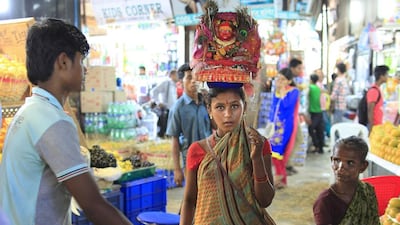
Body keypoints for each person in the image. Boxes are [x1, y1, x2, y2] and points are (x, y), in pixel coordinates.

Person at [0, 18, 132, 225]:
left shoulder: (31, 110)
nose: (85, 70)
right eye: (81, 61)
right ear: (63, 62)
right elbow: (93, 205)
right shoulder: (51, 121)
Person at [180, 87, 276, 225]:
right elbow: (189, 200)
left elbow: (265, 200)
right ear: (209, 110)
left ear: (245, 107)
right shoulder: (198, 150)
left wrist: (257, 159)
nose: (227, 114)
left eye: (235, 106)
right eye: (220, 107)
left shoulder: (258, 144)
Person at [313, 136, 380, 225]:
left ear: (363, 166)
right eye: (337, 160)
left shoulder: (368, 192)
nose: (340, 168)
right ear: (331, 161)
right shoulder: (325, 201)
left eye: (350, 163)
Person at [165, 63, 212, 187]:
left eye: (196, 77)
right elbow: (174, 141)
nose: (194, 81)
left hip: (210, 158)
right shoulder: (177, 108)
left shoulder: (205, 102)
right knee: (193, 196)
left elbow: (214, 127)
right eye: (189, 78)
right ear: (181, 82)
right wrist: (177, 169)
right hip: (190, 162)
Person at [269, 68, 300, 188]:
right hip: (275, 126)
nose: (279, 81)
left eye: (282, 79)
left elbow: (287, 105)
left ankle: (280, 178)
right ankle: (282, 180)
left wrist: (281, 90)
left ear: (289, 81)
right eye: (278, 78)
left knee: (277, 152)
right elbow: (274, 106)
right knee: (275, 153)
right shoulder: (276, 91)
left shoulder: (294, 91)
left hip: (285, 127)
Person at [150, 69, 180, 137]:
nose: (178, 77)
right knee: (164, 131)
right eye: (176, 75)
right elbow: (154, 91)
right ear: (172, 75)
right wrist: (158, 102)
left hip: (172, 111)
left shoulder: (174, 85)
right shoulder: (166, 83)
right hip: (165, 111)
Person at [367, 65, 389, 130]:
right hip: (375, 127)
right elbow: (370, 110)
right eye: (387, 74)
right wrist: (371, 128)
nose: (388, 77)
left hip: (378, 126)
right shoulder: (374, 91)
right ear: (381, 76)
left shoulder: (378, 89)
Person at [308, 74, 325, 154]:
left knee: (311, 128)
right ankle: (320, 148)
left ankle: (317, 145)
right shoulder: (318, 88)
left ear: (311, 80)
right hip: (319, 111)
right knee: (319, 130)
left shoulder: (311, 88)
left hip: (314, 112)